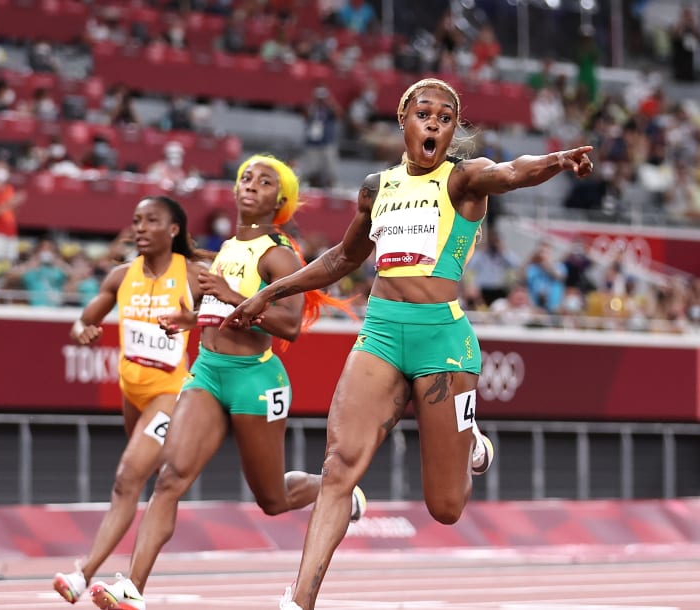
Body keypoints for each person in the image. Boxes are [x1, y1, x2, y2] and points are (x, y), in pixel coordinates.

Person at [220, 79, 594, 610]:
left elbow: (513, 171)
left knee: (445, 506)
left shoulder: (464, 179)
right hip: (380, 332)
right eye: (425, 113)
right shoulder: (377, 187)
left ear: (452, 131)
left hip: (442, 339)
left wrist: (557, 160)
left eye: (447, 117)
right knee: (338, 468)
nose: (436, 123)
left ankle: (472, 446)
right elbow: (342, 259)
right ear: (404, 119)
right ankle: (299, 600)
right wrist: (273, 291)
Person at [88, 155, 365, 610]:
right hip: (208, 373)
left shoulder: (279, 253)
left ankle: (337, 491)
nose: (251, 185)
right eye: (245, 178)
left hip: (255, 379)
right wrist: (192, 318)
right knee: (170, 478)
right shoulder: (226, 250)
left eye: (265, 181)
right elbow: (221, 313)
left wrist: (231, 295)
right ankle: (132, 588)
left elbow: (289, 325)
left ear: (281, 200)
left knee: (272, 499)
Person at [52, 196, 206, 604]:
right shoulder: (121, 277)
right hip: (131, 393)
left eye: (150, 220)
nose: (139, 228)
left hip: (170, 392)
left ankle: (88, 575)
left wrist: (194, 320)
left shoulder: (192, 275)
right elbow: (83, 319)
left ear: (172, 230)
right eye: (136, 221)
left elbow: (227, 318)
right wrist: (81, 330)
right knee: (136, 484)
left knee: (127, 479)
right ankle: (112, 572)